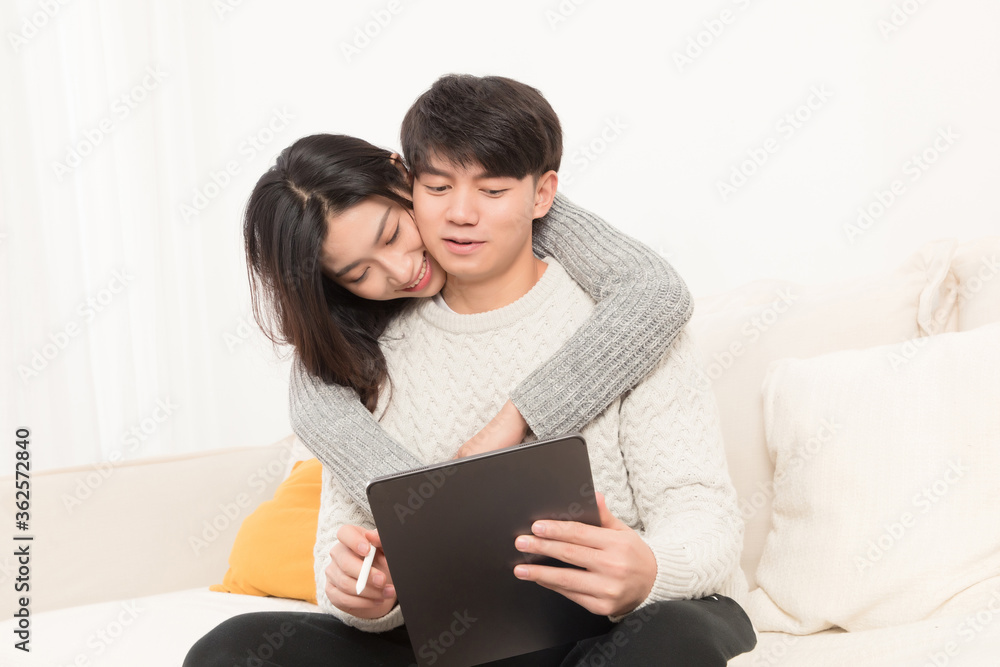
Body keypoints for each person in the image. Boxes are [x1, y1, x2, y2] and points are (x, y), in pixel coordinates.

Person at [185, 75, 755, 666]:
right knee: (234, 649)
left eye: (491, 191)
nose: (459, 216)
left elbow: (703, 511)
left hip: (611, 627)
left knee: (666, 640)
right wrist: (367, 595)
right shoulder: (367, 357)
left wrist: (649, 571)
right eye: (358, 274)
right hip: (464, 638)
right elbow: (345, 535)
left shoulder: (626, 323)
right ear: (416, 185)